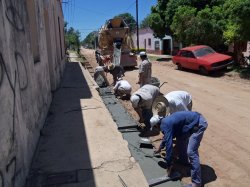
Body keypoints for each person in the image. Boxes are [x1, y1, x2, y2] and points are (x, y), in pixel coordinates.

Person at [151, 111, 208, 187]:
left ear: (156, 125)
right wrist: (160, 148)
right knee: (180, 141)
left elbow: (169, 145)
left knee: (191, 152)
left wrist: (169, 163)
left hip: (199, 123)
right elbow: (166, 137)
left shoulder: (164, 125)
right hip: (190, 124)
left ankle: (196, 183)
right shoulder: (165, 121)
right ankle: (183, 161)